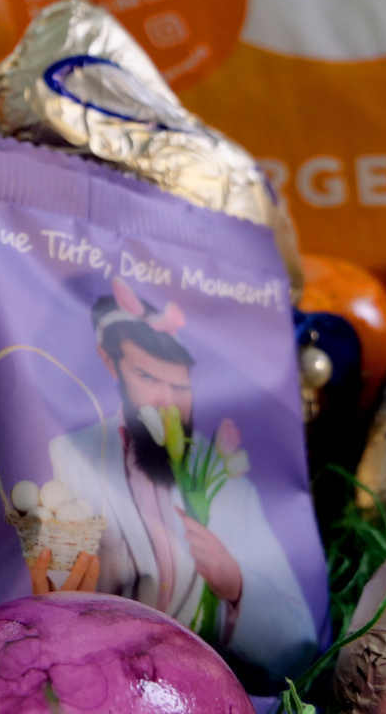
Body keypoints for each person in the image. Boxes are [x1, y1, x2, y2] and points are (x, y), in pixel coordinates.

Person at [41, 278, 316, 690]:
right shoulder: (66, 458)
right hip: (93, 687)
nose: (167, 402)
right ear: (111, 366)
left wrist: (236, 585)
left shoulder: (225, 480)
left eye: (180, 386)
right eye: (147, 378)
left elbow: (297, 642)